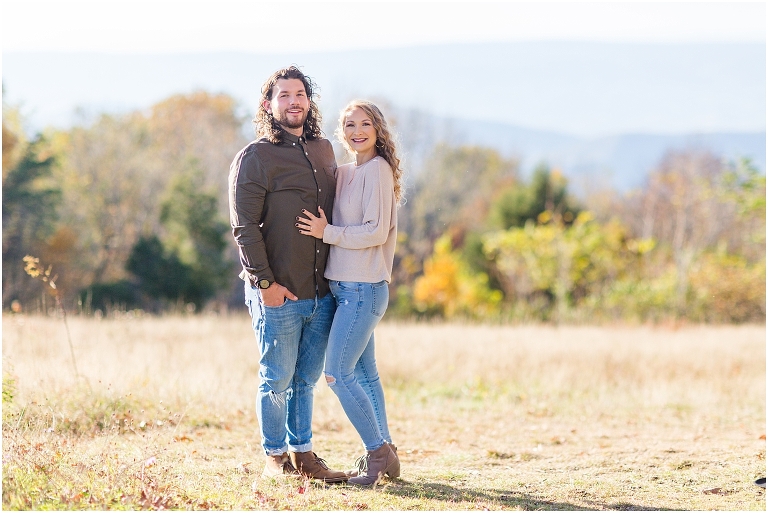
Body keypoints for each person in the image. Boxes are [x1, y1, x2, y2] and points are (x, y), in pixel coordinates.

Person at [228, 65, 347, 483]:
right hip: (278, 292)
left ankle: (304, 456)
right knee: (276, 379)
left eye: (300, 94)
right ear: (269, 104)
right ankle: (274, 459)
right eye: (284, 95)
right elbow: (243, 228)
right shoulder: (255, 157)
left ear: (308, 101)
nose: (293, 101)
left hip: (321, 292)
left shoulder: (324, 150)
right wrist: (265, 285)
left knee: (304, 381)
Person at [296, 100, 403, 486]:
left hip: (363, 290)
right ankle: (388, 454)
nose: (357, 131)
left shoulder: (378, 171)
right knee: (365, 374)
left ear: (378, 129)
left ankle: (377, 455)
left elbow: (376, 231)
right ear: (342, 133)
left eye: (365, 124)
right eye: (349, 125)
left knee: (338, 374)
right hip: (343, 289)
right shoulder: (345, 172)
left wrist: (329, 233)